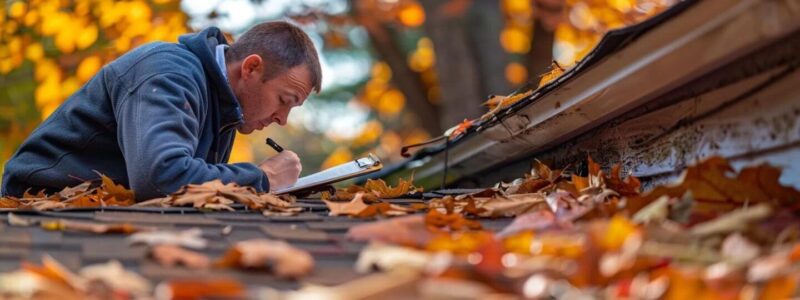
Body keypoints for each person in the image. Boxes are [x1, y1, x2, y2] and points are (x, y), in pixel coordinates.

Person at [1, 21, 322, 201]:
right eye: (285, 100)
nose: (282, 118)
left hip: (98, 212)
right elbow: (161, 177)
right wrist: (262, 178)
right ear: (251, 68)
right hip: (33, 212)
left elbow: (188, 195)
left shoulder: (225, 106)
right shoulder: (170, 72)